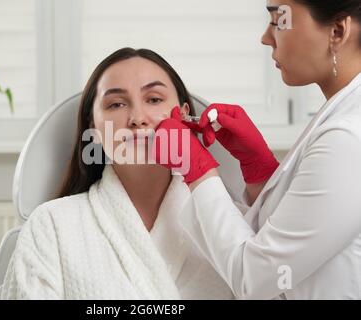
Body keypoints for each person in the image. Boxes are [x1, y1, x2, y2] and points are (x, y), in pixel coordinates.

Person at [153, 0, 361, 299]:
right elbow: (296, 242)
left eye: (278, 21)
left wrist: (197, 171)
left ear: (338, 32)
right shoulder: (340, 116)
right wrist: (261, 170)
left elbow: (256, 279)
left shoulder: (348, 138)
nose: (266, 37)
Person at [0, 47, 234, 299]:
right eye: (116, 104)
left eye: (154, 99)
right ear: (94, 126)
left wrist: (262, 181)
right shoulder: (51, 225)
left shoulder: (231, 226)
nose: (137, 118)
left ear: (185, 115)